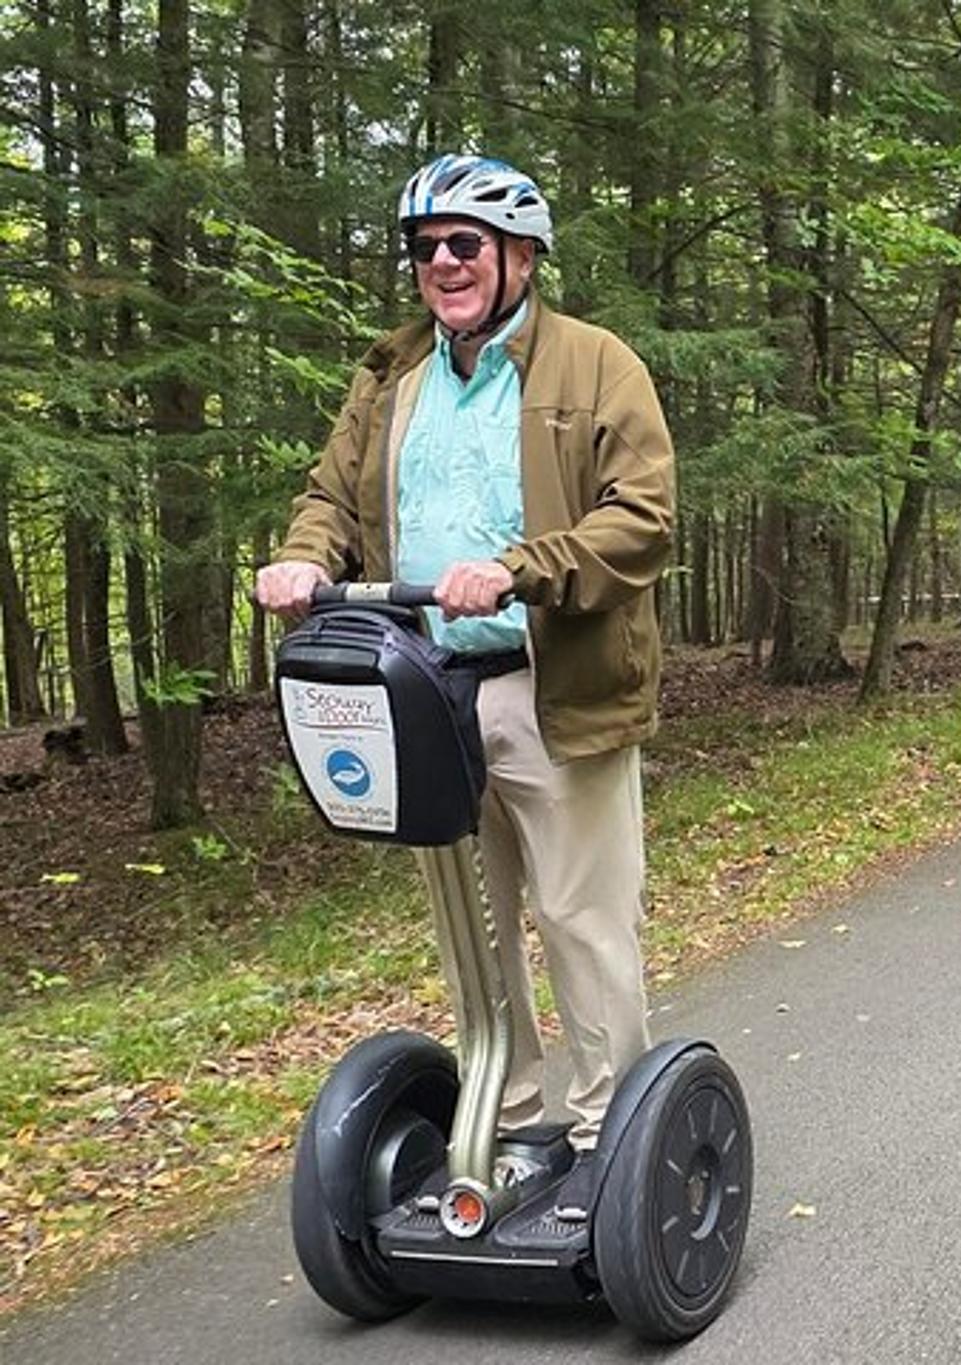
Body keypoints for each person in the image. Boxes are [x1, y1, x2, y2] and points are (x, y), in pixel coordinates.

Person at [256, 154, 676, 1217]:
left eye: (464, 245)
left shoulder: (594, 365)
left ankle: (605, 1144)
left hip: (552, 682)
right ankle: (521, 1117)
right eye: (425, 248)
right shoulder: (390, 375)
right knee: (473, 922)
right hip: (422, 683)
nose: (440, 264)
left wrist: (524, 566)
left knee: (580, 915)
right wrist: (308, 557)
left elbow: (642, 516)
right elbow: (331, 496)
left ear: (519, 256)